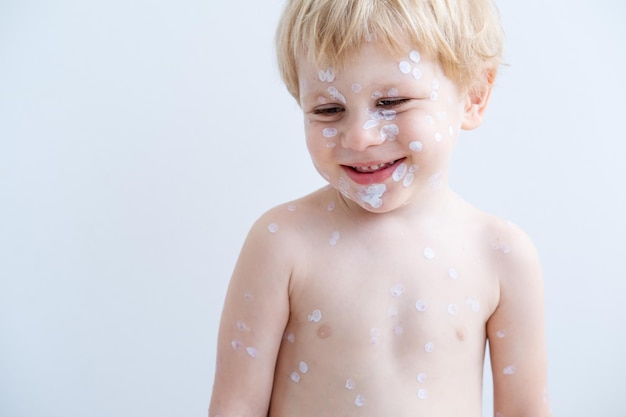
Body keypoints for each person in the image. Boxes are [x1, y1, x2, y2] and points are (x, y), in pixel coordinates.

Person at [209, 0, 551, 416]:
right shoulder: (283, 243)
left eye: (391, 102)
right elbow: (236, 406)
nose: (359, 137)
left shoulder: (501, 254)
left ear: (474, 96)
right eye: (328, 109)